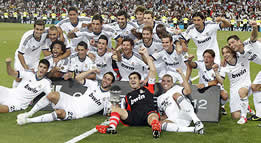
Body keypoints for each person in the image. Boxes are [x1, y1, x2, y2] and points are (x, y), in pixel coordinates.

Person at [97, 47, 161, 138]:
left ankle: (155, 129)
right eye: (130, 79)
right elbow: (124, 111)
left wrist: (146, 55)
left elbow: (153, 70)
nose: (132, 80)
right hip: (133, 117)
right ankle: (111, 127)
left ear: (140, 80)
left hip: (147, 115)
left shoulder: (148, 88)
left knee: (153, 116)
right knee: (115, 108)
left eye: (135, 78)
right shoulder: (128, 96)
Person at [16, 70, 115, 125]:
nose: (105, 80)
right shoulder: (94, 85)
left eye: (109, 79)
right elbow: (78, 78)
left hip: (78, 113)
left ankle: (28, 121)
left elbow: (111, 112)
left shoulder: (109, 97)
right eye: (105, 78)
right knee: (52, 95)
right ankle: (29, 113)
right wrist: (92, 70)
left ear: (112, 83)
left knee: (59, 113)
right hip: (72, 100)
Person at [227, 21, 261, 121]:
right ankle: (259, 114)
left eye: (233, 42)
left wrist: (254, 28)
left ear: (239, 41)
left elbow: (253, 37)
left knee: (256, 87)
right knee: (255, 87)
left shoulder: (247, 43)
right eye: (230, 44)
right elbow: (227, 54)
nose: (231, 45)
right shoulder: (238, 54)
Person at [157, 69, 204, 134]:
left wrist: (182, 74)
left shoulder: (176, 88)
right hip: (174, 119)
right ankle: (194, 130)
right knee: (160, 124)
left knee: (176, 95)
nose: (166, 83)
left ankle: (197, 121)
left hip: (184, 113)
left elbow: (188, 91)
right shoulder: (159, 99)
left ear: (172, 83)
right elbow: (164, 115)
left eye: (168, 81)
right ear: (161, 82)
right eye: (163, 81)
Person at [216, 46, 251, 124]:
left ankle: (244, 117)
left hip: (246, 85)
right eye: (223, 53)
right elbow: (221, 81)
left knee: (241, 91)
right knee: (235, 116)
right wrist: (216, 72)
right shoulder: (224, 66)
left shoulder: (242, 57)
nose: (225, 55)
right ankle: (247, 107)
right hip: (234, 89)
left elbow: (244, 47)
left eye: (227, 52)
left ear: (232, 52)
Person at [187, 49, 228, 115]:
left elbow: (216, 82)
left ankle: (220, 106)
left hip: (215, 88)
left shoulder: (218, 68)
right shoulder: (201, 63)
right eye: (204, 57)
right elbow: (192, 64)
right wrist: (189, 60)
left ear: (213, 58)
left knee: (225, 95)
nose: (206, 59)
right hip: (203, 88)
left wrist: (205, 84)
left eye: (208, 57)